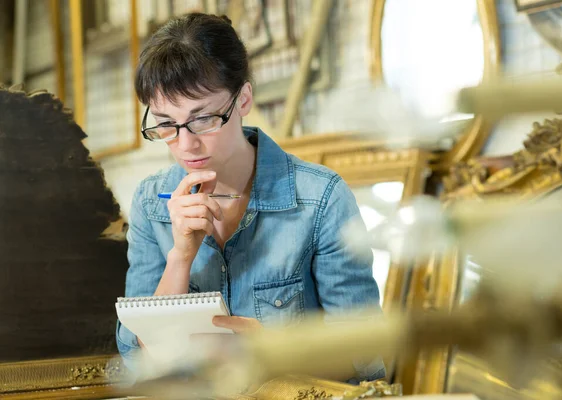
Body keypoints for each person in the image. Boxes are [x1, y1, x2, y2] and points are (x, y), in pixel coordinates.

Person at [115, 12, 385, 383]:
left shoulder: (320, 199)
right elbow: (134, 355)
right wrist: (180, 257)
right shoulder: (151, 203)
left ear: (243, 99)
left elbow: (366, 359)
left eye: (204, 118)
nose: (185, 143)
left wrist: (273, 352)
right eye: (165, 124)